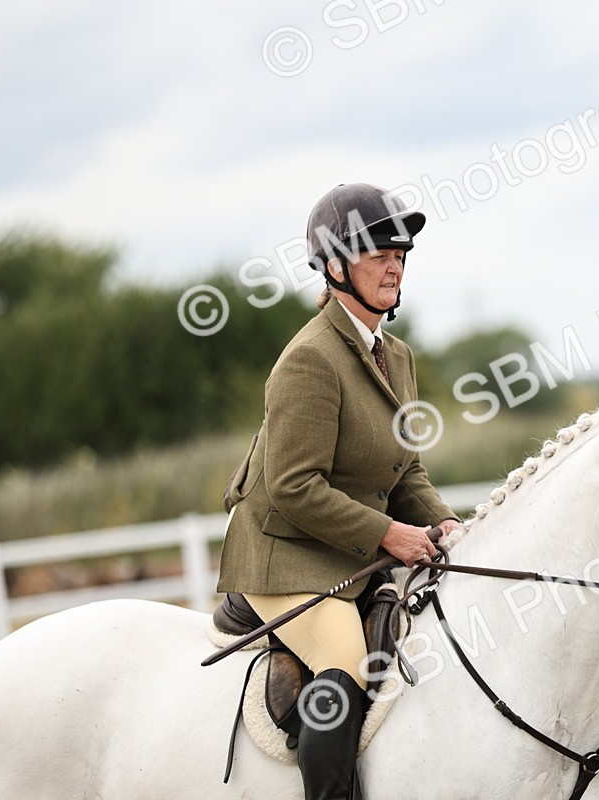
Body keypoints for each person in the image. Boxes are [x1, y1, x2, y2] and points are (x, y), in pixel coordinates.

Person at [216, 182, 462, 800]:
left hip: (344, 550)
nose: (394, 261)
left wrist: (448, 524)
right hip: (284, 556)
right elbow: (295, 487)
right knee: (348, 661)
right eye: (376, 251)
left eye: (399, 250)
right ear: (332, 265)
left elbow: (404, 471)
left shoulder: (395, 356)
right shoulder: (310, 360)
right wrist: (389, 534)